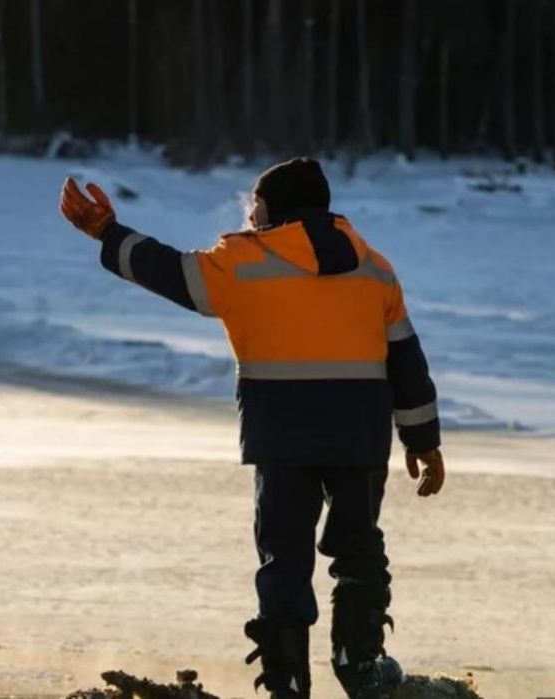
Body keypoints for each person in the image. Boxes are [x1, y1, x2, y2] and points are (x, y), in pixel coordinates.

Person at [58, 158, 446, 699]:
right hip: (358, 439)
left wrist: (106, 232)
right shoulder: (374, 267)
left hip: (282, 438)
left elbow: (168, 271)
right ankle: (360, 667)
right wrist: (423, 439)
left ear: (273, 209)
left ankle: (287, 684)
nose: (249, 211)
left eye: (256, 204)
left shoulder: (245, 262)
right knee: (358, 547)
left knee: (284, 556)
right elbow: (407, 359)